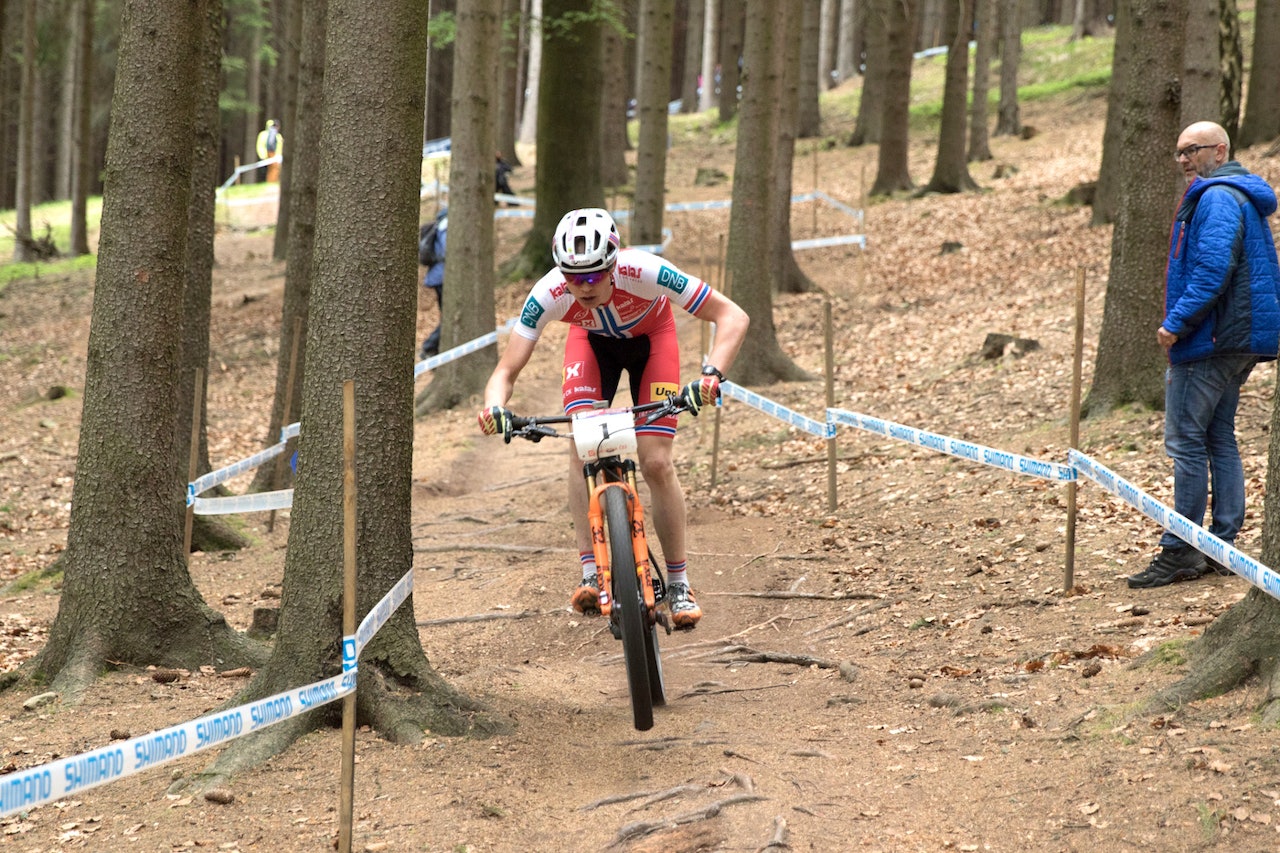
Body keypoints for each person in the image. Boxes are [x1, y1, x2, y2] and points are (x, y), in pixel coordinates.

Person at [477, 208, 750, 628]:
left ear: (613, 265)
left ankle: (678, 584)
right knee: (580, 448)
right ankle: (591, 571)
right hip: (592, 347)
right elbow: (505, 372)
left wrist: (711, 376)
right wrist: (494, 407)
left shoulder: (645, 271)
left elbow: (732, 316)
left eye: (593, 275)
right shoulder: (549, 293)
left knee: (656, 462)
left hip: (652, 342)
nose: (583, 287)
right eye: (573, 277)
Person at [1127, 121, 1280, 589]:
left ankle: (1182, 549)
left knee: (1186, 442)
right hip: (1235, 340)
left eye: (1192, 150)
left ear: (1219, 150)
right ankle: (1221, 545)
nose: (1183, 160)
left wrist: (1176, 323)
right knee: (1218, 437)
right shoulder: (1236, 194)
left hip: (1211, 340)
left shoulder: (1217, 196)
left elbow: (1213, 270)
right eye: (1179, 152)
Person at [418, 207, 448, 360]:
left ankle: (432, 348)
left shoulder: (440, 227)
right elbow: (446, 251)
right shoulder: (445, 229)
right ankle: (429, 347)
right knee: (449, 316)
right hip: (442, 277)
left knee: (447, 315)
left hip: (438, 277)